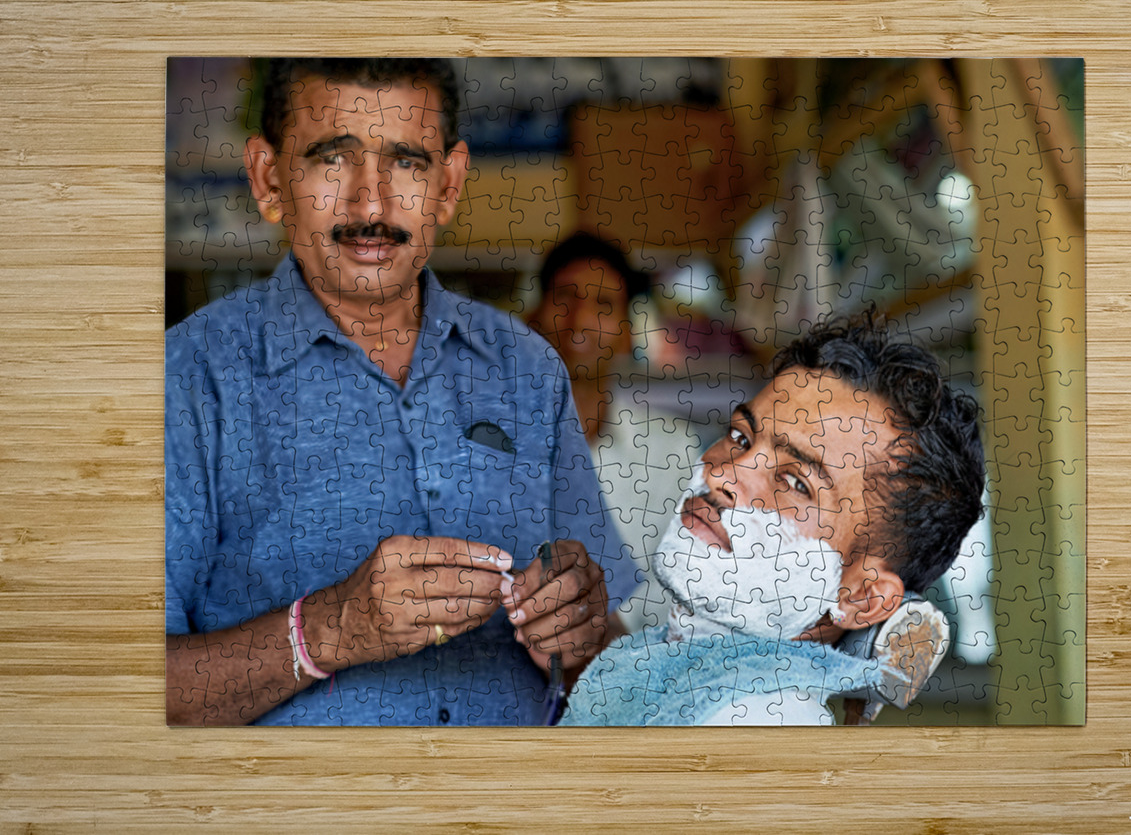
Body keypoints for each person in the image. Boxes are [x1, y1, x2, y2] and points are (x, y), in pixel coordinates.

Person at [165, 58, 637, 726]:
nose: (372, 205)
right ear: (269, 178)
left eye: (408, 164)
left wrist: (583, 636)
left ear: (449, 184)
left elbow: (605, 657)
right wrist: (327, 631)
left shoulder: (529, 368)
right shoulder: (186, 380)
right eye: (334, 160)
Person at [560, 311, 986, 725]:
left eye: (796, 482)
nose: (722, 473)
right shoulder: (664, 675)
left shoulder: (761, 731)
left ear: (861, 597)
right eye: (740, 437)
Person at [527, 233, 700, 633]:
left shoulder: (673, 448)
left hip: (631, 677)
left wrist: (608, 638)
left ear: (626, 333)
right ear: (532, 318)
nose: (581, 320)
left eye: (603, 305)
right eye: (565, 299)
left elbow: (682, 586)